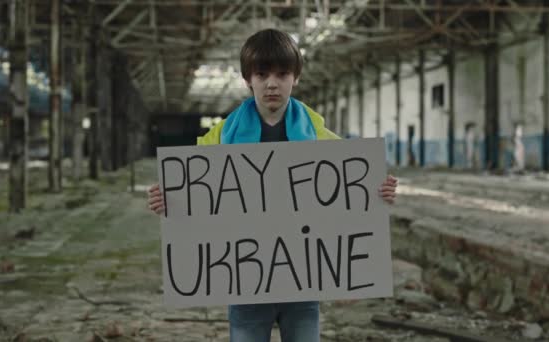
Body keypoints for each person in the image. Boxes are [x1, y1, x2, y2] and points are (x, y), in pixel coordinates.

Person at [147, 28, 398, 342]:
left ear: (296, 78)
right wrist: (167, 198)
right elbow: (192, 192)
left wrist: (380, 190)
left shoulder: (320, 137)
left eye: (282, 73)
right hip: (246, 282)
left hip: (302, 282)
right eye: (262, 73)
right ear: (247, 79)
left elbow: (355, 186)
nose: (272, 83)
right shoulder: (221, 137)